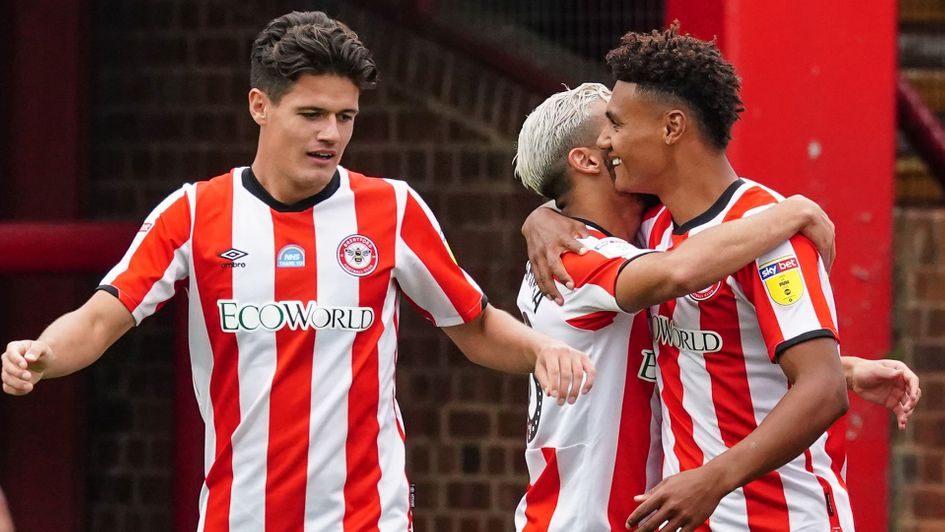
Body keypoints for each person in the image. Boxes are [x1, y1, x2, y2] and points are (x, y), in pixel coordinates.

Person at [0, 11, 595, 531]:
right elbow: (99, 319)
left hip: (367, 518)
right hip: (239, 517)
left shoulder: (392, 209)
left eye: (345, 116)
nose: (330, 134)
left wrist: (541, 349)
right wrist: (42, 354)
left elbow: (475, 324)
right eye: (311, 114)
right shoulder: (194, 213)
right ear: (259, 105)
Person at [512, 83, 921, 531]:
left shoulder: (640, 236)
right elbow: (678, 272)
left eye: (619, 124)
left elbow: (700, 352)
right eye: (607, 125)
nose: (612, 138)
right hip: (583, 520)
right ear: (587, 161)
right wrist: (795, 211)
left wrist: (838, 367)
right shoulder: (578, 257)